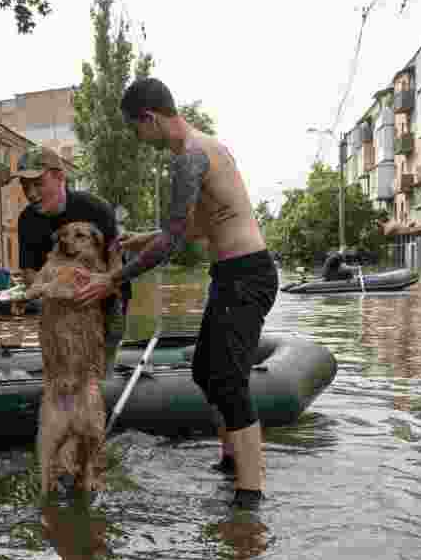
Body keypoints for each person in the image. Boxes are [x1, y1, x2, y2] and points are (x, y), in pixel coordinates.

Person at [74, 78, 278, 509]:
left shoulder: (188, 159)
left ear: (149, 118)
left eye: (136, 128)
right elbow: (195, 229)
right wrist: (140, 238)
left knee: (226, 378)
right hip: (234, 273)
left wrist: (113, 279)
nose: (138, 138)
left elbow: (171, 244)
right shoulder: (207, 148)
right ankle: (230, 460)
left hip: (246, 274)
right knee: (206, 369)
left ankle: (250, 493)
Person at [11, 145, 131, 374]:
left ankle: (104, 378)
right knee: (64, 373)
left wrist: (101, 285)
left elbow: (116, 264)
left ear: (60, 178)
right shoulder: (27, 220)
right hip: (59, 306)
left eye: (38, 184)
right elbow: (29, 274)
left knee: (96, 375)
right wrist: (53, 291)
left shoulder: (96, 208)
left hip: (106, 303)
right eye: (25, 186)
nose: (31, 194)